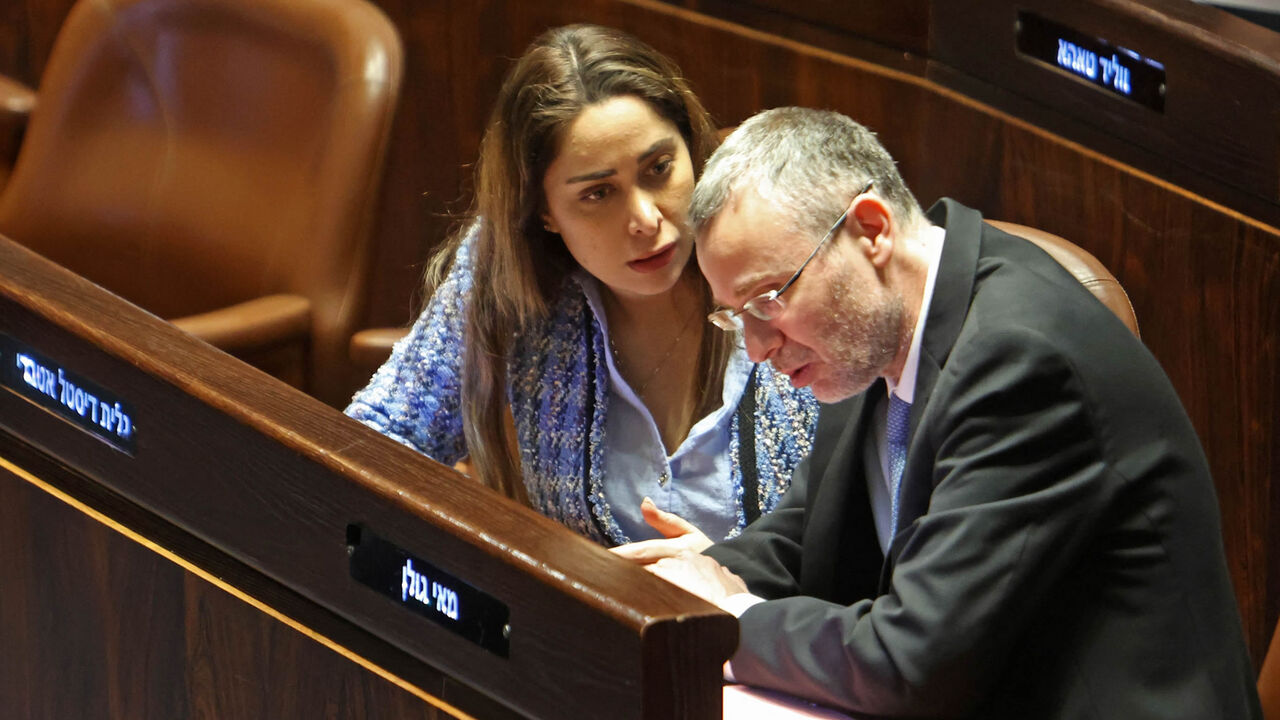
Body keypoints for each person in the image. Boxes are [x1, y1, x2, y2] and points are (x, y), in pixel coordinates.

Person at [627, 107, 1261, 718]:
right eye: (737, 316)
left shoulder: (1021, 361)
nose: (759, 349)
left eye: (766, 301)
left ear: (870, 231)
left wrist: (731, 623)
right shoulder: (874, 330)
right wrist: (683, 586)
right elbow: (803, 536)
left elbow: (914, 662)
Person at [345, 26, 818, 546]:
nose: (645, 218)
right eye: (598, 194)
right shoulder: (505, 271)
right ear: (544, 212)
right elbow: (380, 441)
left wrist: (733, 579)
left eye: (659, 168)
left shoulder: (783, 247)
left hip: (773, 621)